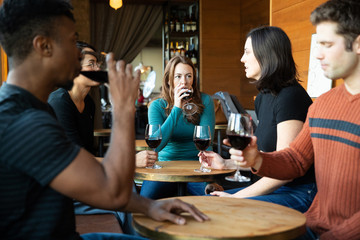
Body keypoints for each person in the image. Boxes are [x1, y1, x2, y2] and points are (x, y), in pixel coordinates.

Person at [0, 1, 209, 240]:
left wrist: (150, 206)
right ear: (44, 46)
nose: (78, 53)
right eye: (71, 40)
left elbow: (92, 180)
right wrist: (122, 106)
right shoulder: (24, 122)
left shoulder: (30, 108)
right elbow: (115, 192)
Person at [226, 0, 360, 239]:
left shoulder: (297, 98)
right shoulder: (323, 105)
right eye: (318, 44)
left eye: (327, 45)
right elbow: (296, 159)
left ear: (358, 44)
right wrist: (258, 159)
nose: (317, 54)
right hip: (313, 225)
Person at [200, 26, 317, 213]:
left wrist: (235, 198)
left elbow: (285, 172)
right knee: (201, 198)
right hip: (274, 187)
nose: (242, 59)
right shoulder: (264, 97)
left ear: (266, 54)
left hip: (299, 192)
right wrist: (226, 163)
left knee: (219, 208)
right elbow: (263, 156)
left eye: (246, 52)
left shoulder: (290, 97)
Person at [48, 41, 157, 235]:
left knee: (126, 186)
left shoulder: (88, 103)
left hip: (83, 178)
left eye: (98, 64)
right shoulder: (59, 102)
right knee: (122, 197)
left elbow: (87, 153)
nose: (97, 68)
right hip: (63, 188)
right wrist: (130, 161)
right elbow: (76, 159)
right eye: (91, 64)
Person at [140, 56, 215, 199]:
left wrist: (209, 175)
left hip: (197, 167)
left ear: (194, 79)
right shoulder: (157, 105)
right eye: (178, 76)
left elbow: (207, 142)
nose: (184, 82)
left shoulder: (205, 101)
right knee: (144, 201)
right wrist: (176, 108)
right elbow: (157, 145)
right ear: (169, 80)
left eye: (189, 76)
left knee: (213, 200)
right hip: (164, 167)